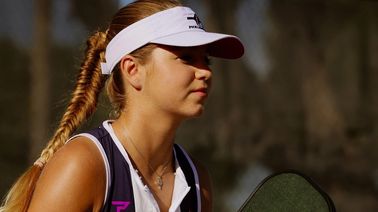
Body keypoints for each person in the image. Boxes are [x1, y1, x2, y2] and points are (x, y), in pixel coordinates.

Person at [0, 0, 244, 211]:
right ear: (133, 70)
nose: (204, 73)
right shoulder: (84, 164)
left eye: (206, 61)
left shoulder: (197, 181)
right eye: (186, 57)